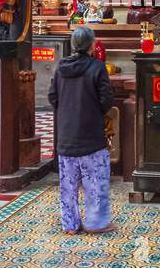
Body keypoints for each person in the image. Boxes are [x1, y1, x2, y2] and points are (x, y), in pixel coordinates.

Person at [48, 24, 114, 234]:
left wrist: (67, 110)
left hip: (66, 136)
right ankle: (96, 223)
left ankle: (70, 224)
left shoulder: (61, 67)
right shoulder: (97, 67)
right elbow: (107, 100)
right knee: (95, 183)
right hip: (91, 135)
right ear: (91, 45)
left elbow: (52, 97)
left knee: (68, 186)